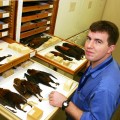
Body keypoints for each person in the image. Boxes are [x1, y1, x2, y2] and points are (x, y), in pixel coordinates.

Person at [49, 20, 120, 120]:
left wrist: (65, 103)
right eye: (89, 38)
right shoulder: (103, 62)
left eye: (98, 42)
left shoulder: (105, 88)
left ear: (110, 48)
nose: (89, 46)